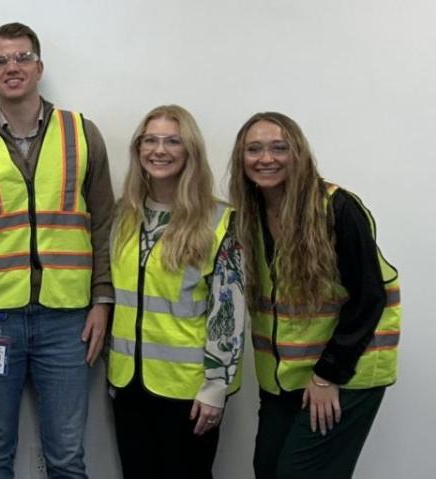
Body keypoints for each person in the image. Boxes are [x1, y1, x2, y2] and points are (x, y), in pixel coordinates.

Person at [0, 22, 115, 478]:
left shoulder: (82, 133)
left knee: (66, 454)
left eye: (21, 58)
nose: (11, 67)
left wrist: (102, 300)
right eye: (1, 61)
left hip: (69, 319)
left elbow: (103, 224)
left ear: (39, 67)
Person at [229, 112, 400, 479]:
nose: (266, 158)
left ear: (298, 153)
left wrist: (328, 376)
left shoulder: (337, 207)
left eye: (279, 148)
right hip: (286, 376)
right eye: (254, 149)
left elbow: (369, 297)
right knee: (268, 468)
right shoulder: (250, 213)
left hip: (345, 371)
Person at [106, 105, 245, 478]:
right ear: (138, 149)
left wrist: (217, 386)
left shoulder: (218, 220)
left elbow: (227, 314)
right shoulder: (123, 216)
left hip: (189, 391)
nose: (159, 150)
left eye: (172, 141)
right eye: (150, 140)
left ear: (190, 152)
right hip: (128, 383)